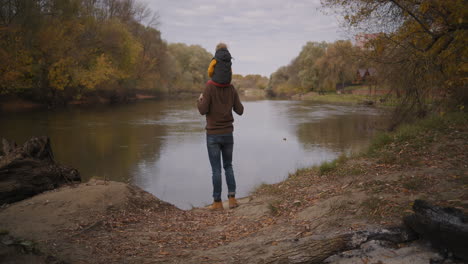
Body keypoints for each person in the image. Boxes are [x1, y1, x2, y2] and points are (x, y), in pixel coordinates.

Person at [197, 43, 244, 210]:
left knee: (216, 170)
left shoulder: (209, 87)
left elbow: (203, 110)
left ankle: (217, 203)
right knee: (228, 166)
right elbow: (240, 111)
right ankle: (232, 199)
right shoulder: (231, 88)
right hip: (228, 134)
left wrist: (200, 99)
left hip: (213, 135)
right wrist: (232, 100)